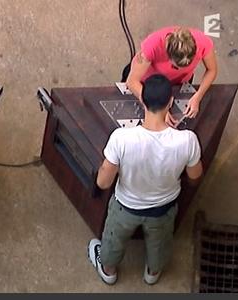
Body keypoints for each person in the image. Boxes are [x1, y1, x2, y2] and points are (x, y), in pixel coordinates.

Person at [87, 74, 203, 285]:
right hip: (163, 210)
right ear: (170, 102)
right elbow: (195, 177)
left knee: (113, 241)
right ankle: (152, 272)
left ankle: (108, 270)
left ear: (143, 100)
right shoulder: (188, 141)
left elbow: (103, 183)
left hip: (125, 208)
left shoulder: (121, 138)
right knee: (160, 243)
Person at [125, 26, 218, 127]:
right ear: (168, 53)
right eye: (175, 66)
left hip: (179, 82)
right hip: (150, 84)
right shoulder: (151, 46)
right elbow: (132, 82)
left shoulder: (203, 42)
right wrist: (159, 111)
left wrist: (198, 97)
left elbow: (212, 70)